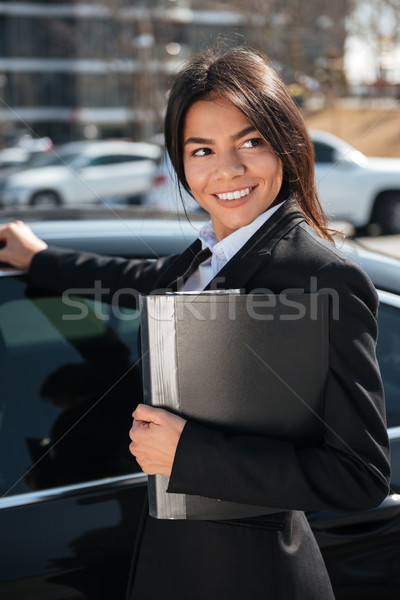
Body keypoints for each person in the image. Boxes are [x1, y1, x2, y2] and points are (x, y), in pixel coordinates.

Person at [0, 47, 390, 599]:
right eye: (202, 149)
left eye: (250, 142)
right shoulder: (203, 258)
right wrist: (38, 258)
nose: (226, 170)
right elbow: (131, 277)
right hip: (173, 566)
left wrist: (190, 457)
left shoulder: (320, 275)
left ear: (287, 142)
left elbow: (359, 476)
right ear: (181, 163)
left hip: (252, 576)